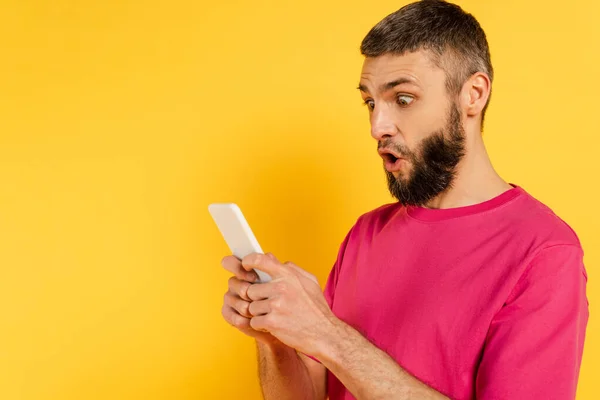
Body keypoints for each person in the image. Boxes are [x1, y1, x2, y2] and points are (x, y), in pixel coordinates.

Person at [220, 0, 589, 399]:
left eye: (404, 99)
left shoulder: (544, 253)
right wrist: (274, 338)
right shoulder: (366, 233)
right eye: (370, 102)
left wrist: (327, 334)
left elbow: (335, 345)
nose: (378, 126)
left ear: (473, 95)